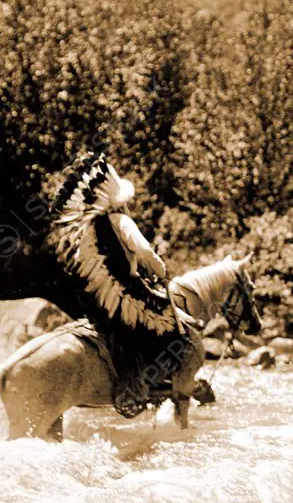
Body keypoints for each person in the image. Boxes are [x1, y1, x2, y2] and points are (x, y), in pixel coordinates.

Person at [47, 151, 192, 417]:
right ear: (120, 202)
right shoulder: (122, 221)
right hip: (125, 293)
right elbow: (146, 253)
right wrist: (161, 272)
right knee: (175, 330)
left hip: (98, 300)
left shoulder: (89, 228)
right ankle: (148, 384)